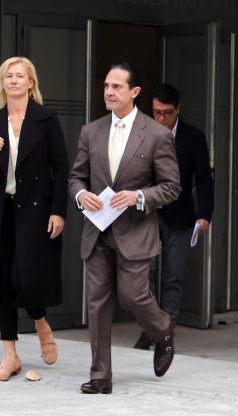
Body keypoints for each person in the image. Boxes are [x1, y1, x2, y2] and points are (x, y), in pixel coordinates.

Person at [68, 63, 181, 395]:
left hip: (135, 231)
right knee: (98, 304)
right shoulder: (91, 131)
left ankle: (163, 331)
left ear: (134, 92)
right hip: (97, 230)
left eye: (116, 86)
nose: (108, 92)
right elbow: (76, 176)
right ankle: (100, 375)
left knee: (133, 296)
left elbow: (172, 187)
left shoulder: (157, 134)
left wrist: (139, 196)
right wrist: (79, 194)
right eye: (106, 86)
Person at [0, 56, 70, 381]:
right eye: (8, 76)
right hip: (1, 211)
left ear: (30, 83)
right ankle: (9, 355)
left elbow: (61, 167)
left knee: (22, 278)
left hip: (36, 210)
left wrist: (58, 210)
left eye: (19, 76)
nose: (13, 81)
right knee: (2, 283)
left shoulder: (46, 119)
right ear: (3, 83)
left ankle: (40, 321)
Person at [133, 84, 214, 350]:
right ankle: (151, 328)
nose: (161, 118)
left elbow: (204, 179)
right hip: (148, 215)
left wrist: (205, 215)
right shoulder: (143, 134)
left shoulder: (193, 138)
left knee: (173, 277)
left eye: (167, 113)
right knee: (145, 275)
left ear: (177, 110)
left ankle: (166, 333)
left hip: (180, 216)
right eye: (156, 113)